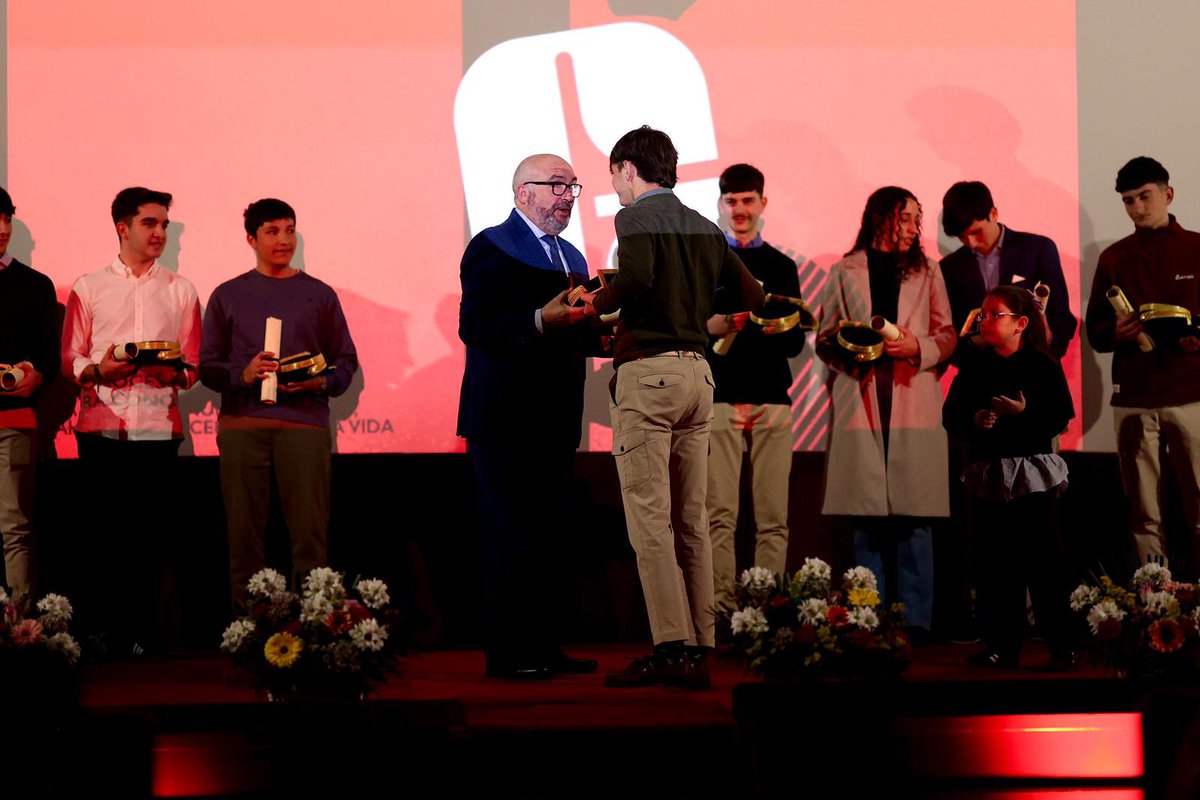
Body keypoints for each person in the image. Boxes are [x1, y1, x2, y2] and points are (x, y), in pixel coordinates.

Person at [587, 126, 763, 688]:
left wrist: (595, 303)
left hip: (650, 375)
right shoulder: (705, 226)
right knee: (691, 520)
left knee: (650, 523)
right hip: (699, 375)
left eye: (614, 175)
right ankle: (702, 646)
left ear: (629, 169)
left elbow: (633, 278)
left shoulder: (634, 217)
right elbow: (752, 296)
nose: (614, 187)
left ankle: (669, 649)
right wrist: (691, 297)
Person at [456, 154, 601, 681]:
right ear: (523, 193)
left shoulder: (573, 257)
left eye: (572, 186)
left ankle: (544, 646)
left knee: (548, 537)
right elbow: (475, 326)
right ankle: (508, 653)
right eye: (555, 185)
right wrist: (542, 318)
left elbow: (580, 338)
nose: (566, 195)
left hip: (556, 420)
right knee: (507, 534)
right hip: (503, 419)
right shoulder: (491, 246)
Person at [62, 186, 202, 655]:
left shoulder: (181, 290)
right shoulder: (89, 286)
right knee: (103, 539)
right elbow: (71, 357)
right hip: (101, 431)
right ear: (123, 228)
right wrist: (102, 370)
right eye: (150, 223)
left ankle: (143, 638)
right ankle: (102, 636)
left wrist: (170, 371)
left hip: (159, 431)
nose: (160, 232)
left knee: (150, 540)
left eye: (164, 224)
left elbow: (194, 365)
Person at [200, 199, 358, 604]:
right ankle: (249, 627)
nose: (283, 240)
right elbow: (208, 367)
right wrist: (243, 375)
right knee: (243, 534)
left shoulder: (319, 294)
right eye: (272, 231)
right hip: (243, 425)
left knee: (309, 534)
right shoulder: (228, 294)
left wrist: (318, 383)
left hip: (304, 426)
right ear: (251, 239)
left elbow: (345, 362)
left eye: (289, 230)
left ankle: (313, 623)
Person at [816, 186, 956, 640]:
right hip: (863, 396)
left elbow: (948, 334)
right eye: (907, 216)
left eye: (918, 217)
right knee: (868, 517)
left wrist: (918, 346)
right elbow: (824, 337)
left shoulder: (928, 271)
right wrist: (848, 349)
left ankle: (916, 621)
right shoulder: (844, 269)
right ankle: (866, 615)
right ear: (881, 217)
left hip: (912, 393)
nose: (915, 226)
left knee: (915, 517)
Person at [943, 286, 1076, 670]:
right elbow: (950, 414)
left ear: (1020, 323)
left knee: (1046, 562)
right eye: (982, 314)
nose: (984, 320)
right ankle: (1001, 644)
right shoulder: (976, 367)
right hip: (990, 476)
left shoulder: (1041, 365)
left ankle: (1061, 643)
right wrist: (974, 420)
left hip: (1032, 476)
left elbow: (1059, 415)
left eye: (994, 314)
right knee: (993, 565)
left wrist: (1023, 412)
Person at [1085, 157, 1200, 572]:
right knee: (1143, 510)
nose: (1137, 207)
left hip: (1191, 393)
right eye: (1128, 200)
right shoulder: (1114, 258)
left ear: (1168, 194)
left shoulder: (1196, 248)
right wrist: (1117, 333)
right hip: (1133, 395)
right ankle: (1153, 602)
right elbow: (1094, 332)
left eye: (1144, 196)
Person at [705, 164, 804, 603]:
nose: (740, 209)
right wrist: (720, 324)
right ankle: (724, 613)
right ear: (720, 205)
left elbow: (796, 342)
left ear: (763, 203)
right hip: (720, 399)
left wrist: (767, 324)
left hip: (772, 401)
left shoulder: (782, 265)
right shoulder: (706, 262)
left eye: (748, 200)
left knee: (773, 518)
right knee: (719, 516)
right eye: (731, 201)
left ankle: (766, 612)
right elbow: (692, 331)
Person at [941, 181, 1076, 359]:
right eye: (962, 238)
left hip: (1034, 367)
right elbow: (953, 331)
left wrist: (1043, 339)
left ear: (994, 213)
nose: (972, 243)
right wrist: (975, 341)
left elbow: (1061, 317)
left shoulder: (1037, 249)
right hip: (980, 372)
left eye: (976, 232)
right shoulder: (951, 266)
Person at [0, 186, 58, 597]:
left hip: (13, 421)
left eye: (7, 219)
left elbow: (49, 360)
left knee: (14, 525)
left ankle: (22, 628)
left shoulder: (35, 285)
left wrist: (33, 374)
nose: (2, 229)